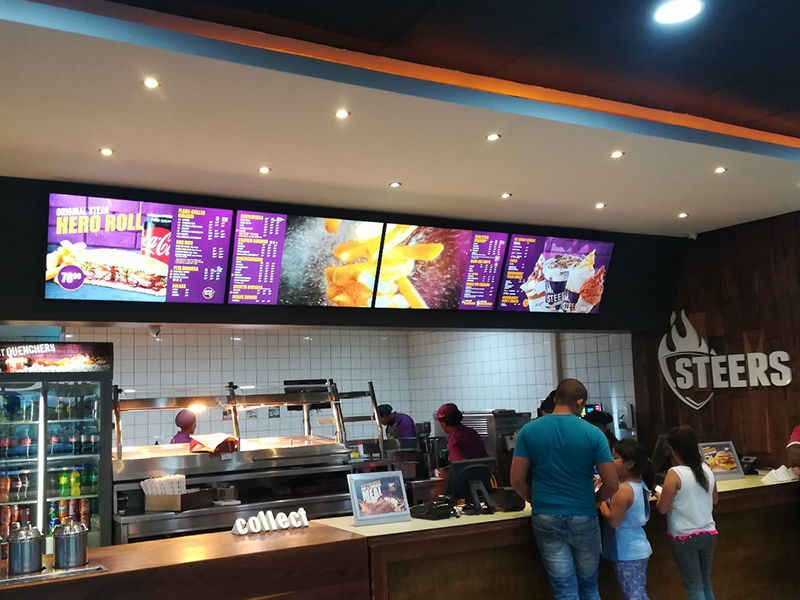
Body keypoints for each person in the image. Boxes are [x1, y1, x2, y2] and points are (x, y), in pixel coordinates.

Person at [510, 379, 618, 600]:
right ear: (580, 402)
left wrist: (535, 500)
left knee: (564, 589)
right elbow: (612, 483)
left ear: (556, 399)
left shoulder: (528, 431)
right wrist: (597, 500)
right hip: (583, 514)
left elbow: (516, 479)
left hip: (546, 516)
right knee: (589, 586)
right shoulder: (594, 434)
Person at [656, 426, 718, 600]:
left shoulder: (674, 473)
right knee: (705, 583)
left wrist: (660, 495)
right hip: (709, 533)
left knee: (694, 587)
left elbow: (662, 508)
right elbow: (715, 499)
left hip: (684, 536)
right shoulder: (707, 469)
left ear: (673, 450)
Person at [600, 439, 653, 600]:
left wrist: (600, 501)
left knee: (634, 595)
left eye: (615, 458)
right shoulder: (639, 483)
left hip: (627, 551)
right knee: (637, 593)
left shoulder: (623, 491)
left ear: (629, 464)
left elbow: (613, 521)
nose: (610, 461)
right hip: (638, 546)